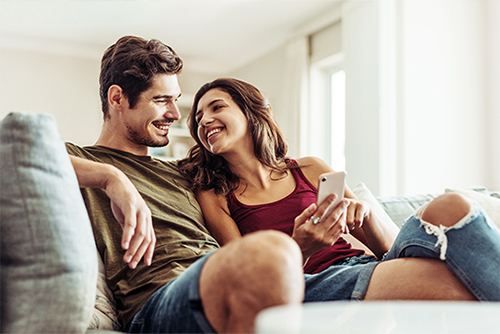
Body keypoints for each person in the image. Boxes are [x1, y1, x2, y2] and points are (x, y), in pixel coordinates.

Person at [177, 78, 500, 303]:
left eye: (216, 108)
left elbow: (387, 248)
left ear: (250, 112)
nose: (204, 120)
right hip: (310, 283)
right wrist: (300, 247)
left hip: (366, 264)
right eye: (198, 117)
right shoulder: (215, 194)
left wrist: (364, 216)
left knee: (451, 205)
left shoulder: (310, 168)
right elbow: (250, 279)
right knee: (452, 279)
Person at [66, 36, 305, 333]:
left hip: (220, 277)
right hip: (160, 299)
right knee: (272, 252)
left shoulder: (187, 173)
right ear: (117, 99)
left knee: (380, 278)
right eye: (161, 100)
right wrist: (112, 178)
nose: (176, 115)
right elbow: (18, 152)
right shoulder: (80, 159)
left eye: (175, 100)